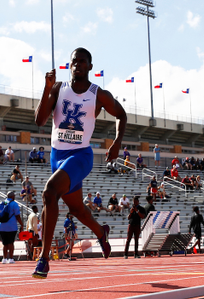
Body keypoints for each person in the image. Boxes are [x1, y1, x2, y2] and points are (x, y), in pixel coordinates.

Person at [33, 47, 126, 279]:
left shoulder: (99, 94)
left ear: (89, 66)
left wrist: (116, 144)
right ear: (69, 64)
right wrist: (46, 89)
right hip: (57, 156)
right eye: (74, 61)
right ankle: (101, 232)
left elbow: (121, 115)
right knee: (77, 210)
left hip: (81, 156)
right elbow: (39, 121)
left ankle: (44, 259)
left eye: (82, 62)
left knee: (49, 192)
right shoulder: (58, 88)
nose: (77, 65)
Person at [0, 192, 23, 264]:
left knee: (5, 243)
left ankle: (4, 258)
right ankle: (11, 258)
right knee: (11, 243)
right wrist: (21, 224)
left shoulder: (1, 203)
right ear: (12, 196)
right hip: (11, 226)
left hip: (2, 226)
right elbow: (17, 216)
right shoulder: (14, 204)